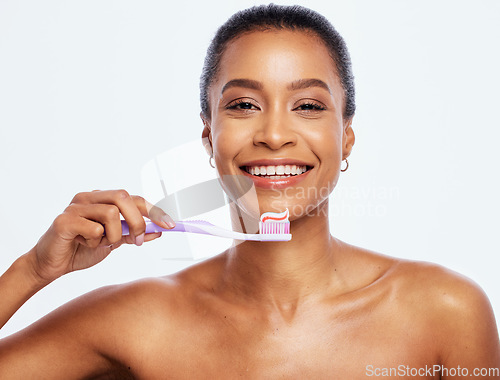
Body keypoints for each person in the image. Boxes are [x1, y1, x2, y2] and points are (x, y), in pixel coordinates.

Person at [1, 4, 499, 378]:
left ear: (346, 136)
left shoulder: (445, 312)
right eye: (243, 104)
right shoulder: (137, 321)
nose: (275, 134)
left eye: (307, 106)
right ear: (209, 137)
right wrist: (32, 271)